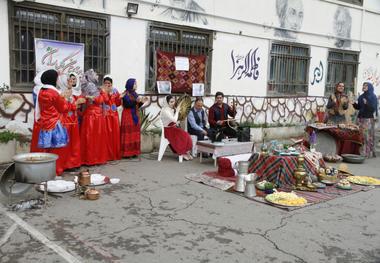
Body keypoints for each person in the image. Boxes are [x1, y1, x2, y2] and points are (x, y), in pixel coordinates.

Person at [30, 69, 70, 175]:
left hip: (45, 123)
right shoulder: (54, 93)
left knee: (46, 151)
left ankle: (44, 172)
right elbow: (64, 108)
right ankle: (55, 172)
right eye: (57, 78)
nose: (57, 80)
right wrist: (66, 99)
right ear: (53, 79)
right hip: (55, 124)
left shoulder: (41, 91)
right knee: (57, 150)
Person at [80, 71, 108, 165]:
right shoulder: (91, 86)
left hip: (90, 114)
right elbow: (99, 100)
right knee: (94, 138)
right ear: (91, 76)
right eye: (95, 74)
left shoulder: (89, 85)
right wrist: (103, 93)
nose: (97, 75)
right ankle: (93, 159)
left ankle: (89, 158)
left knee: (90, 137)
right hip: (94, 116)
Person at [60, 75, 85, 170]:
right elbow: (63, 108)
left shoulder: (71, 92)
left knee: (74, 143)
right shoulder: (61, 93)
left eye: (71, 80)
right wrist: (76, 104)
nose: (71, 82)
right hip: (65, 121)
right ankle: (65, 164)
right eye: (68, 80)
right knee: (66, 144)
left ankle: (73, 163)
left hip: (73, 120)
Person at [120, 79, 149, 158]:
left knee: (134, 133)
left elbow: (137, 106)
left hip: (135, 114)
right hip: (127, 115)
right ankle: (126, 153)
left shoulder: (135, 94)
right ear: (130, 84)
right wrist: (137, 101)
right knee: (128, 133)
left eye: (136, 83)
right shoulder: (125, 93)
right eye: (135, 84)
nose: (136, 85)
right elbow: (128, 104)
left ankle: (134, 152)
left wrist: (142, 101)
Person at [160, 95, 193, 160]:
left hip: (173, 128)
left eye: (173, 101)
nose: (173, 103)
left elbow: (175, 120)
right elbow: (174, 120)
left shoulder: (170, 109)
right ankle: (183, 152)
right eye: (171, 102)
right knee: (184, 135)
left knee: (186, 135)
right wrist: (177, 111)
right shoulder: (165, 111)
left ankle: (185, 152)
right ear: (167, 102)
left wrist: (178, 113)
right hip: (168, 130)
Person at [353, 82, 378, 158]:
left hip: (368, 119)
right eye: (363, 85)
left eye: (366, 86)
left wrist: (367, 103)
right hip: (360, 118)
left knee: (367, 136)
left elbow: (373, 109)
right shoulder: (361, 96)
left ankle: (367, 152)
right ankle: (361, 151)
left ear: (369, 87)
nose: (364, 87)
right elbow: (359, 107)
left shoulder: (373, 97)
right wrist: (354, 104)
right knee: (361, 135)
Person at [102, 75, 122, 161]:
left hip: (114, 116)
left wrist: (119, 98)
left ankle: (114, 154)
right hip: (106, 115)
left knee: (115, 135)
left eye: (109, 83)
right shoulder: (101, 91)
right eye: (106, 83)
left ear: (111, 84)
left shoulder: (115, 91)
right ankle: (106, 155)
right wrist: (106, 93)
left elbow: (118, 103)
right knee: (106, 135)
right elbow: (102, 101)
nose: (107, 85)